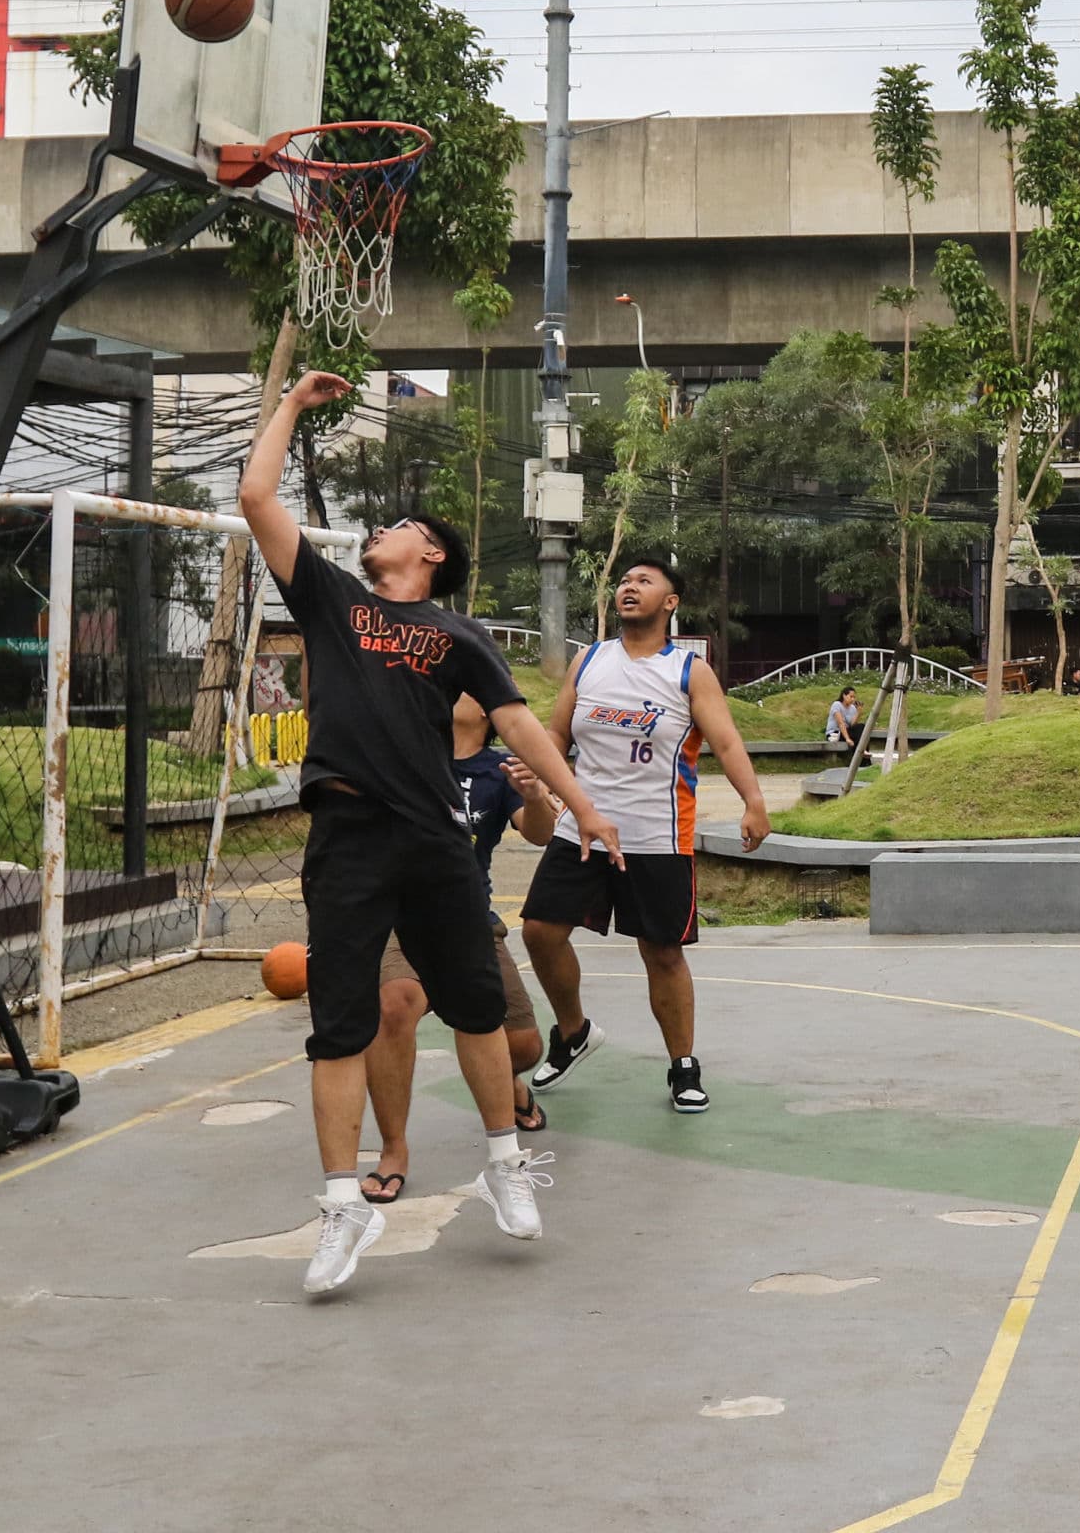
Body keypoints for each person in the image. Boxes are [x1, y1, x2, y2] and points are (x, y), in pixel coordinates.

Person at [241, 370, 620, 1298]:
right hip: (348, 835)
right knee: (340, 1028)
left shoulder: (456, 633)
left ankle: (503, 1163)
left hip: (438, 840)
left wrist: (582, 806)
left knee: (477, 1014)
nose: (384, 530)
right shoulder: (331, 600)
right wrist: (290, 404)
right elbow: (256, 496)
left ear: (433, 556)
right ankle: (342, 1204)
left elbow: (524, 727)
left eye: (402, 527)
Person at [524, 558, 773, 1116]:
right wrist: (539, 780)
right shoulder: (589, 661)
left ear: (671, 602)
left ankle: (683, 1065)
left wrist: (754, 801)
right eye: (625, 581)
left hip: (657, 834)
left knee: (661, 955)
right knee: (540, 931)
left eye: (644, 581)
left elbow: (727, 743)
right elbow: (556, 733)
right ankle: (574, 1031)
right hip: (582, 826)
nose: (629, 587)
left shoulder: (688, 672)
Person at [363, 692, 561, 1204]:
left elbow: (539, 834)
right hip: (399, 913)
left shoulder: (499, 769)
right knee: (396, 1003)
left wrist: (536, 795)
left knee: (524, 1047)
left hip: (468, 917)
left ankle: (511, 1088)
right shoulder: (404, 749)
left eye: (470, 686)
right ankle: (393, 1151)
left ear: (488, 714)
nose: (455, 687)